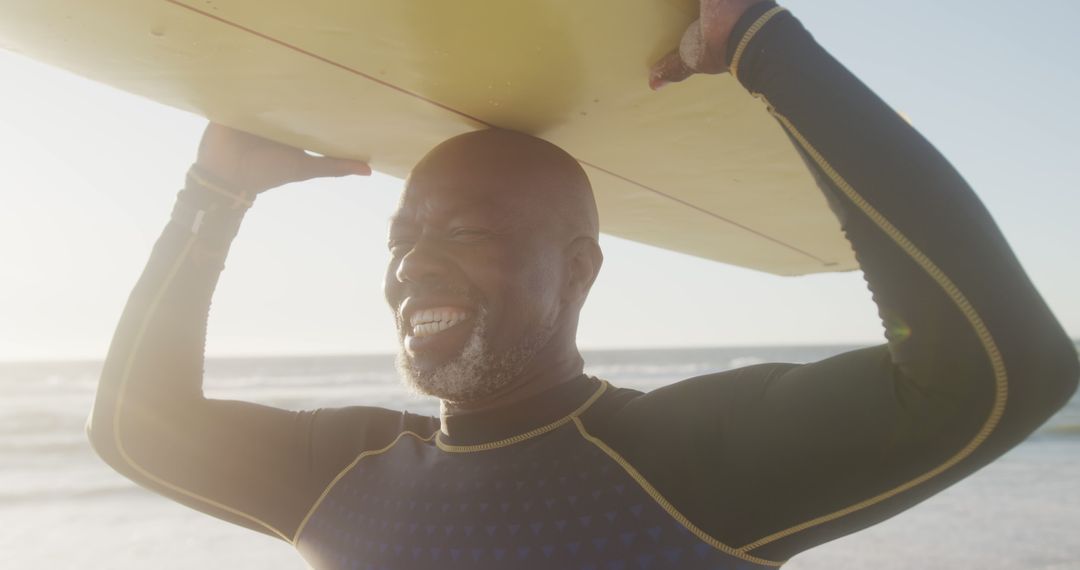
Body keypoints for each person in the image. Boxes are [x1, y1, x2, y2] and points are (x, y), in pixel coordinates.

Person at [88, 1, 1077, 568]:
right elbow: (136, 429)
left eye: (464, 231)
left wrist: (766, 48)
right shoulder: (342, 470)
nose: (413, 264)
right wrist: (211, 195)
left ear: (578, 269)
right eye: (402, 237)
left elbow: (1000, 370)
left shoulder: (683, 465)